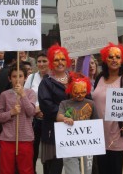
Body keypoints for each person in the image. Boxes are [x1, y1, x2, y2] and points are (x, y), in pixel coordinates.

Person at [92, 42, 123, 174]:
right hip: (100, 134)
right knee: (103, 169)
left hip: (120, 133)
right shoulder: (100, 77)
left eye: (117, 57)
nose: (114, 60)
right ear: (105, 59)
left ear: (121, 60)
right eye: (110, 57)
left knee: (119, 169)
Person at [0, 64, 36, 174]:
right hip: (7, 139)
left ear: (25, 77)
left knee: (26, 170)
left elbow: (31, 112)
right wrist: (11, 113)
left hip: (25, 138)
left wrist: (23, 95)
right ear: (9, 78)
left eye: (20, 76)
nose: (17, 79)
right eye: (14, 76)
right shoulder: (4, 95)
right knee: (6, 170)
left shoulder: (30, 93)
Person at [38, 44, 72, 174]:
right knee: (52, 168)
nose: (60, 62)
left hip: (73, 130)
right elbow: (46, 105)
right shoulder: (46, 82)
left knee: (73, 165)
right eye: (56, 60)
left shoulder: (74, 79)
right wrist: (65, 115)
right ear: (52, 62)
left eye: (62, 59)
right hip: (52, 132)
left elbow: (84, 99)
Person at [56, 72, 98, 174]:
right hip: (69, 147)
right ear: (70, 89)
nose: (80, 95)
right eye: (76, 92)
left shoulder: (91, 104)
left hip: (87, 147)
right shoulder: (64, 103)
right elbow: (58, 117)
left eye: (83, 92)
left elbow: (96, 123)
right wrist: (65, 118)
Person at [24, 50, 49, 174]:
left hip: (49, 121)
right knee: (32, 152)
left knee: (48, 155)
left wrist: (45, 110)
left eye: (44, 61)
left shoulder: (54, 77)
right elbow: (24, 97)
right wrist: (36, 110)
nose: (41, 64)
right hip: (34, 121)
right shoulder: (31, 77)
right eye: (39, 61)